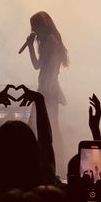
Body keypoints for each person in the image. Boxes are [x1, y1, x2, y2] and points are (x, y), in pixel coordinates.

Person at [25, 11, 69, 178]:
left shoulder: (50, 40)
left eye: (36, 27)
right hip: (46, 88)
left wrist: (30, 45)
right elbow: (38, 66)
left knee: (46, 126)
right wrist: (31, 45)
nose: (34, 31)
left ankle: (56, 165)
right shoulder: (48, 40)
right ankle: (53, 163)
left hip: (48, 89)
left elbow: (40, 67)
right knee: (45, 125)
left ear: (43, 26)